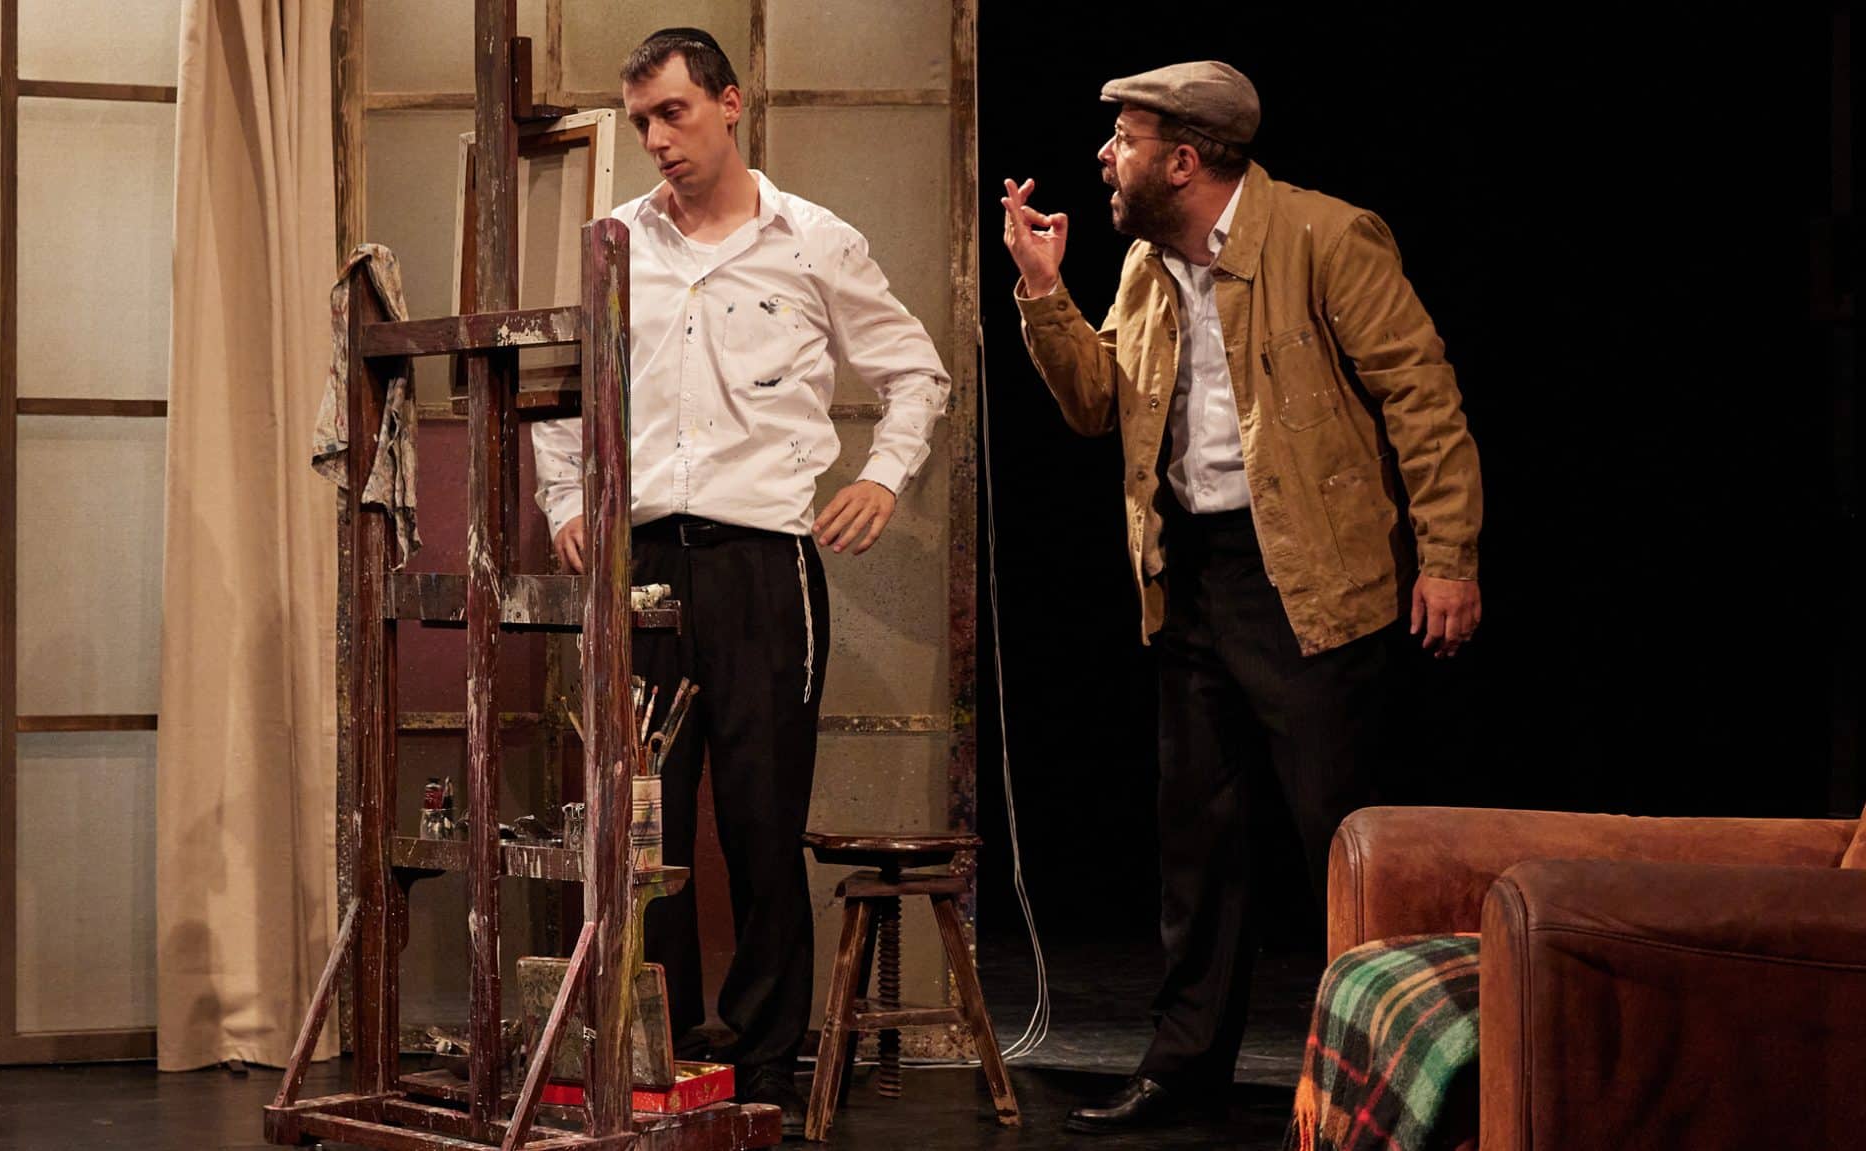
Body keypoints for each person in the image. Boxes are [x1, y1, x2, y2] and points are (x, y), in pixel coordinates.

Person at [1000, 59, 1484, 1133]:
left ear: (1183, 160)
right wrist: (1041, 291)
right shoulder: (1145, 265)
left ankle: (1380, 1074)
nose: (1104, 157)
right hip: (1189, 574)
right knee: (1198, 838)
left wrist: (1447, 554)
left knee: (1338, 840)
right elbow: (1095, 405)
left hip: (1309, 576)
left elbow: (1421, 395)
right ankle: (1185, 1067)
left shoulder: (1325, 237)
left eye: (1124, 140)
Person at [531, 27, 951, 1135]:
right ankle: (657, 1050)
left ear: (729, 103)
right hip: (641, 562)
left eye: (673, 113)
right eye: (640, 123)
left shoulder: (812, 240)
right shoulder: (615, 242)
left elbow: (915, 373)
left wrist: (883, 476)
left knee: (763, 819)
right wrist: (565, 501)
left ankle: (763, 1058)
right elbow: (561, 384)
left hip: (764, 561)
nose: (657, 140)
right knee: (645, 827)